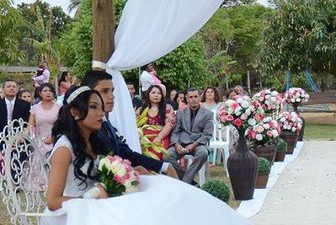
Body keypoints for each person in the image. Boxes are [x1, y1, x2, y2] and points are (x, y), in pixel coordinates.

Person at [42, 86, 251, 225]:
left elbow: (106, 171)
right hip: (75, 212)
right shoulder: (64, 149)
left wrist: (124, 176)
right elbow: (53, 201)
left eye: (101, 108)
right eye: (94, 108)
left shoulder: (94, 140)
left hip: (100, 201)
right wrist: (93, 197)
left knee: (161, 189)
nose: (101, 113)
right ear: (75, 112)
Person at [80, 71, 178, 178]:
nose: (111, 96)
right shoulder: (84, 130)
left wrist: (164, 166)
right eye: (104, 91)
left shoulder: (106, 124)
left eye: (112, 91)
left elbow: (126, 154)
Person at [166, 88, 214, 184]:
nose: (193, 99)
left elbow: (207, 134)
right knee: (166, 156)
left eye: (196, 96)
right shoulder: (180, 113)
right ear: (187, 99)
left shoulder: (208, 114)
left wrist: (194, 145)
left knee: (203, 153)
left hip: (198, 143)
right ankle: (190, 181)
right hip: (182, 143)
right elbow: (175, 131)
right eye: (191, 97)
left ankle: (185, 182)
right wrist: (176, 144)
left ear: (200, 98)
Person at [140, 85, 175, 160]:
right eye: (153, 92)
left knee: (157, 152)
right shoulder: (142, 108)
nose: (156, 95)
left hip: (161, 136)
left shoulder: (167, 108)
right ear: (148, 94)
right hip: (144, 138)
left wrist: (159, 137)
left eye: (159, 93)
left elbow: (169, 125)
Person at [29, 83, 61, 154]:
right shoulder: (35, 108)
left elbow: (64, 125)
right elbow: (30, 127)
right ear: (40, 93)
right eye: (45, 91)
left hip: (56, 141)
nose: (48, 93)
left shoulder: (59, 107)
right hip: (40, 143)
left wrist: (53, 137)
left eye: (50, 91)